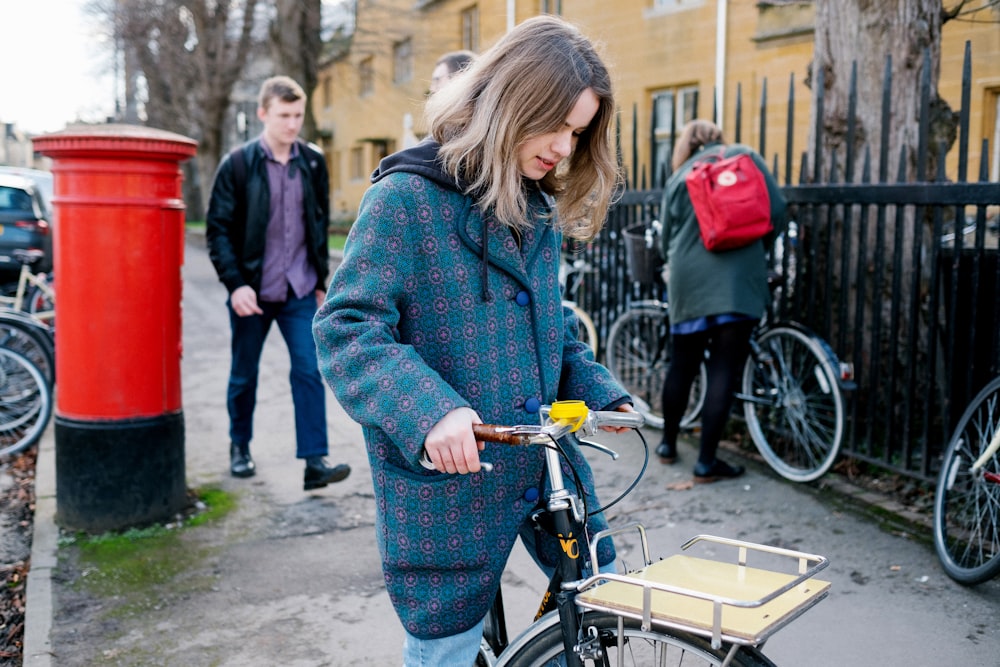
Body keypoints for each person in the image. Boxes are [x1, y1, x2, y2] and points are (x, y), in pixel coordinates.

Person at [313, 16, 632, 665]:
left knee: (603, 591)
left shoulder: (533, 205)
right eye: (558, 126)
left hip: (543, 468)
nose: (566, 149)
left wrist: (599, 388)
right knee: (449, 649)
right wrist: (430, 410)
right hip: (448, 491)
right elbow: (346, 327)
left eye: (579, 132)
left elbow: (551, 325)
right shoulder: (404, 197)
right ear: (515, 103)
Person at [206, 75, 351, 491]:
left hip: (300, 289)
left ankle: (314, 462)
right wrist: (235, 284)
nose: (292, 124)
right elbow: (217, 229)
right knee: (244, 374)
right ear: (263, 114)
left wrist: (321, 282)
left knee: (308, 370)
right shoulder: (237, 164)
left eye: (298, 115)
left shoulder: (312, 161)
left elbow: (317, 225)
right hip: (253, 290)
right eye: (284, 115)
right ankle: (239, 447)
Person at [656, 119, 787, 482]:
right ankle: (706, 462)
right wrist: (755, 249)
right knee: (724, 369)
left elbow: (666, 235)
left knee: (681, 364)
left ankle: (667, 445)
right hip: (738, 280)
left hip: (688, 280)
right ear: (718, 138)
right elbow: (776, 209)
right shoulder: (746, 158)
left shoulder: (681, 174)